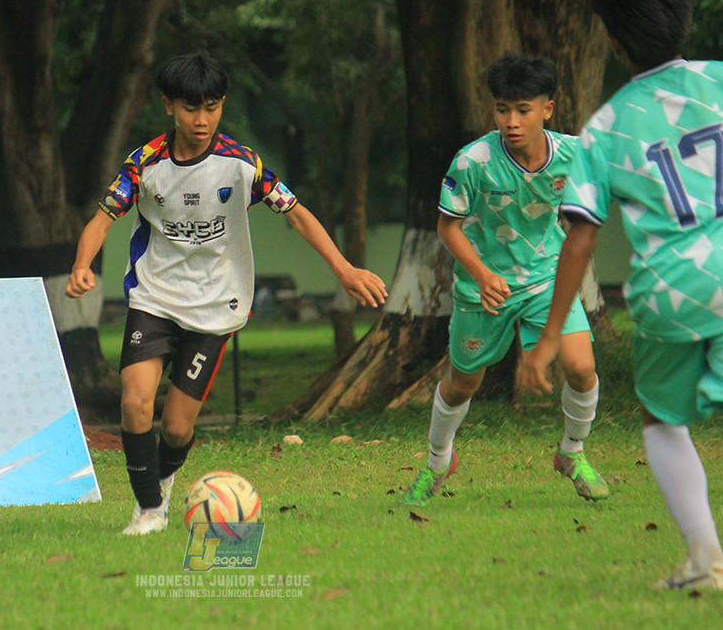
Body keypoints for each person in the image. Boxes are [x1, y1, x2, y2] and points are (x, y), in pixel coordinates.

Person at [66, 51, 388, 536]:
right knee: (135, 403)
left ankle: (165, 485)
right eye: (191, 108)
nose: (202, 120)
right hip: (154, 298)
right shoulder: (145, 163)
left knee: (176, 427)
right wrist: (80, 265)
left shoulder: (242, 165)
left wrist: (342, 269)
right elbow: (102, 218)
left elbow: (296, 213)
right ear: (168, 106)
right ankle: (149, 510)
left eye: (213, 107)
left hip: (216, 307)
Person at [521, 0, 723, 592]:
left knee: (662, 419)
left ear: (611, 40)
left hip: (672, 295)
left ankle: (707, 561)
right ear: (685, 16)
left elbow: (580, 235)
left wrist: (551, 334)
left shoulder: (604, 130)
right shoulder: (719, 81)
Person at [401, 51, 608, 507]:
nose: (511, 121)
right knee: (461, 384)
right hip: (483, 290)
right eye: (501, 109)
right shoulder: (473, 161)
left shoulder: (574, 156)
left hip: (547, 282)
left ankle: (572, 452)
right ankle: (438, 461)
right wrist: (481, 272)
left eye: (523, 110)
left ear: (547, 109)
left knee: (581, 367)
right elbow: (447, 226)